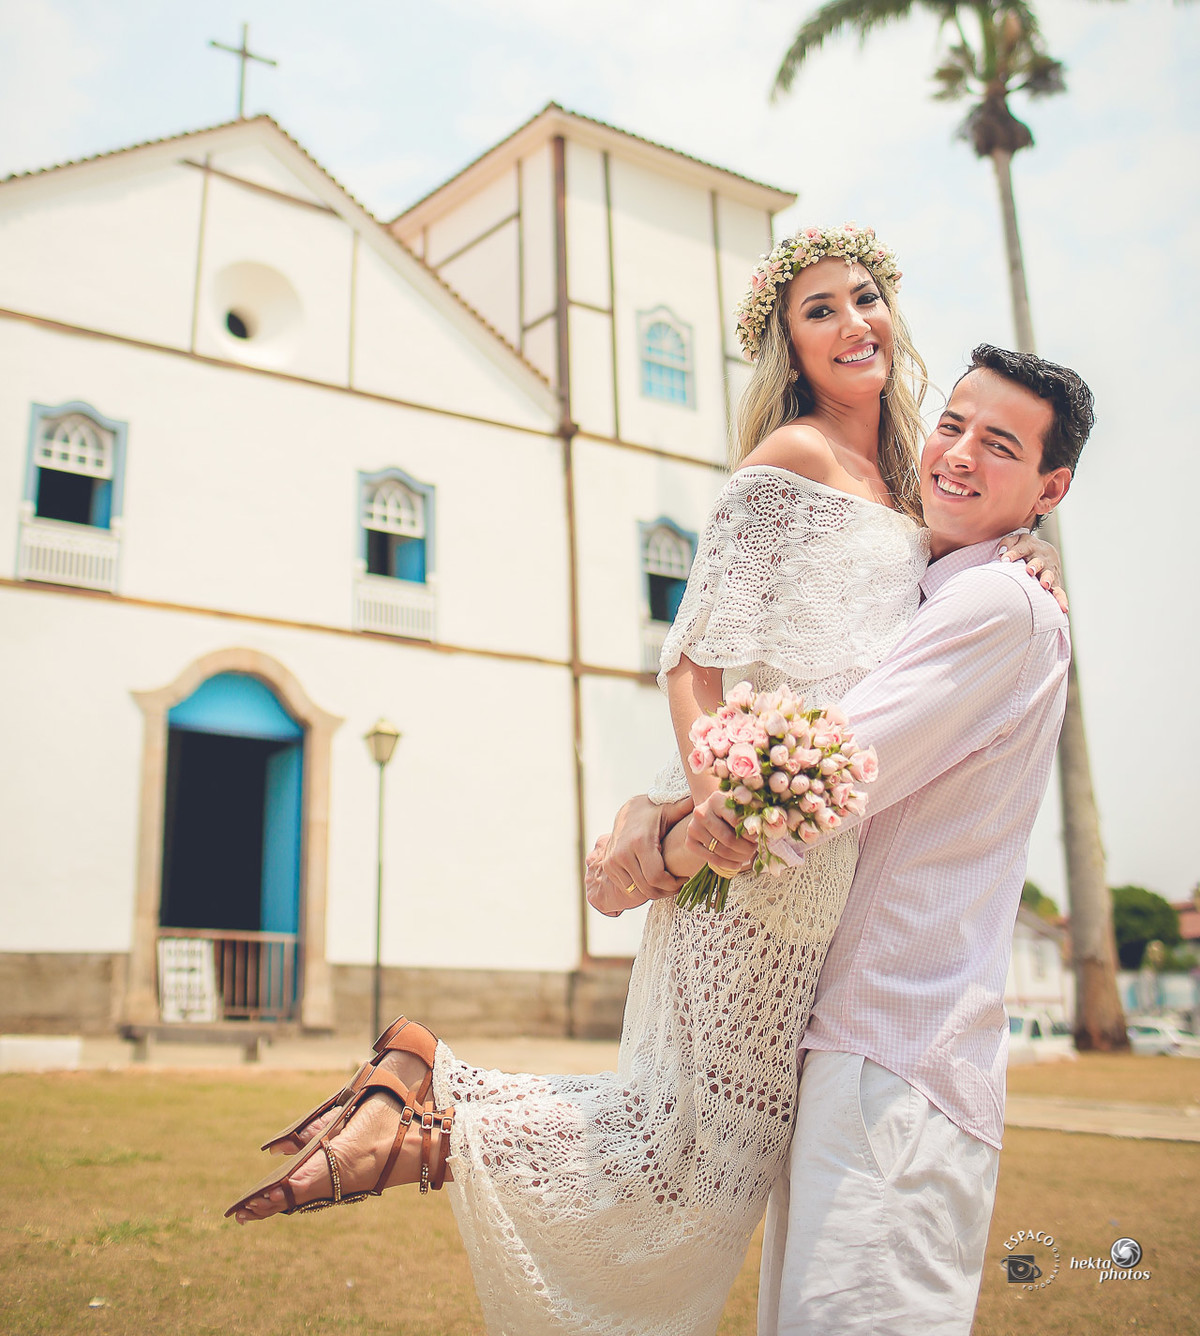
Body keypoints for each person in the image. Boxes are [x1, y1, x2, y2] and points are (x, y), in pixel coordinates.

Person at [225, 227, 1063, 1336]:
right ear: (790, 347)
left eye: (865, 298)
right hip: (759, 829)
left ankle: (425, 1109)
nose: (853, 322)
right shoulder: (791, 461)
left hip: (821, 852)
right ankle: (429, 1100)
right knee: (698, 1155)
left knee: (711, 1155)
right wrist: (705, 802)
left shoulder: (915, 492)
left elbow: (935, 610)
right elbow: (691, 652)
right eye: (819, 311)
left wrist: (1021, 551)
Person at [612, 341, 1091, 1336]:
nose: (956, 454)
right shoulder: (946, 582)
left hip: (898, 1063)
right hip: (859, 1048)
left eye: (998, 445)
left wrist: (657, 841)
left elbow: (822, 775)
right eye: (951, 425)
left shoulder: (997, 604)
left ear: (1052, 485)